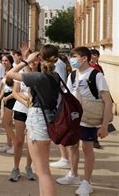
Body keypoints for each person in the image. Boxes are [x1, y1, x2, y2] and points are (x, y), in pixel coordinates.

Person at [6, 44, 62, 196]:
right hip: (46, 118)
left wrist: (25, 60)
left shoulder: (40, 77)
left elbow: (10, 74)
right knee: (43, 170)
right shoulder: (54, 76)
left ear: (40, 58)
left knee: (43, 172)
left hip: (38, 119)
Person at [56, 47, 112, 195]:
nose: (72, 60)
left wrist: (105, 126)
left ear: (84, 58)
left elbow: (108, 101)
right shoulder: (72, 75)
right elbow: (68, 97)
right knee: (72, 146)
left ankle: (87, 183)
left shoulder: (96, 75)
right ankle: (73, 175)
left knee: (87, 149)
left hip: (89, 118)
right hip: (74, 119)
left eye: (74, 56)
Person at [10, 54, 37, 182]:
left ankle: (28, 167)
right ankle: (16, 168)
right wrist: (24, 100)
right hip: (21, 109)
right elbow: (15, 92)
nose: (34, 62)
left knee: (31, 142)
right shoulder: (20, 73)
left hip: (35, 111)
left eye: (36, 60)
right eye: (32, 60)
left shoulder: (42, 73)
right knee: (19, 141)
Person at [0, 55, 15, 153]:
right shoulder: (6, 72)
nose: (4, 62)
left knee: (5, 123)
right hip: (6, 98)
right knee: (8, 124)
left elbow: (15, 89)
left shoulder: (14, 72)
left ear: (11, 61)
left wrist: (6, 98)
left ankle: (16, 145)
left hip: (12, 98)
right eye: (3, 60)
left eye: (6, 60)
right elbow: (4, 87)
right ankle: (9, 144)